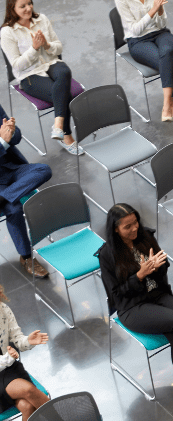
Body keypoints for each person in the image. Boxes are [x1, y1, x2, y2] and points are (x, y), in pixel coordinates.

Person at [97, 203, 173, 412]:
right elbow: (116, 295)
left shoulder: (146, 236)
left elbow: (164, 268)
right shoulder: (107, 255)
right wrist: (140, 275)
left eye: (135, 222)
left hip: (159, 294)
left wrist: (157, 267)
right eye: (127, 226)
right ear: (115, 229)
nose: (134, 229)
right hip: (132, 307)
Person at [0, 285, 92, 421]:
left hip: (10, 370)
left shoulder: (3, 309)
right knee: (28, 391)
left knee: (27, 406)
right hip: (4, 368)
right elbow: (9, 356)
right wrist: (8, 358)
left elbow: (16, 339)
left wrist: (28, 341)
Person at [0, 0, 82, 154]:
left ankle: (57, 126)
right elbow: (17, 66)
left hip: (51, 63)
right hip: (29, 75)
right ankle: (66, 135)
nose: (28, 8)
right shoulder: (7, 32)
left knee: (64, 72)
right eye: (22, 6)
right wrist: (34, 49)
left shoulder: (41, 19)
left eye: (29, 3)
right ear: (12, 8)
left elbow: (59, 47)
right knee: (64, 94)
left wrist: (46, 45)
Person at [114, 0, 173, 123]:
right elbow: (135, 30)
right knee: (171, 64)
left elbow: (162, 25)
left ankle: (167, 104)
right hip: (138, 41)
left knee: (168, 52)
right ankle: (172, 104)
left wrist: (160, 10)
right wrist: (153, 10)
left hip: (161, 34)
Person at [0, 103, 49, 278]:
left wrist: (12, 131)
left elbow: (16, 137)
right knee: (14, 209)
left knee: (43, 170)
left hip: (11, 167)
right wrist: (2, 142)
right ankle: (27, 257)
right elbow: (4, 141)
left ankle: (3, 197)